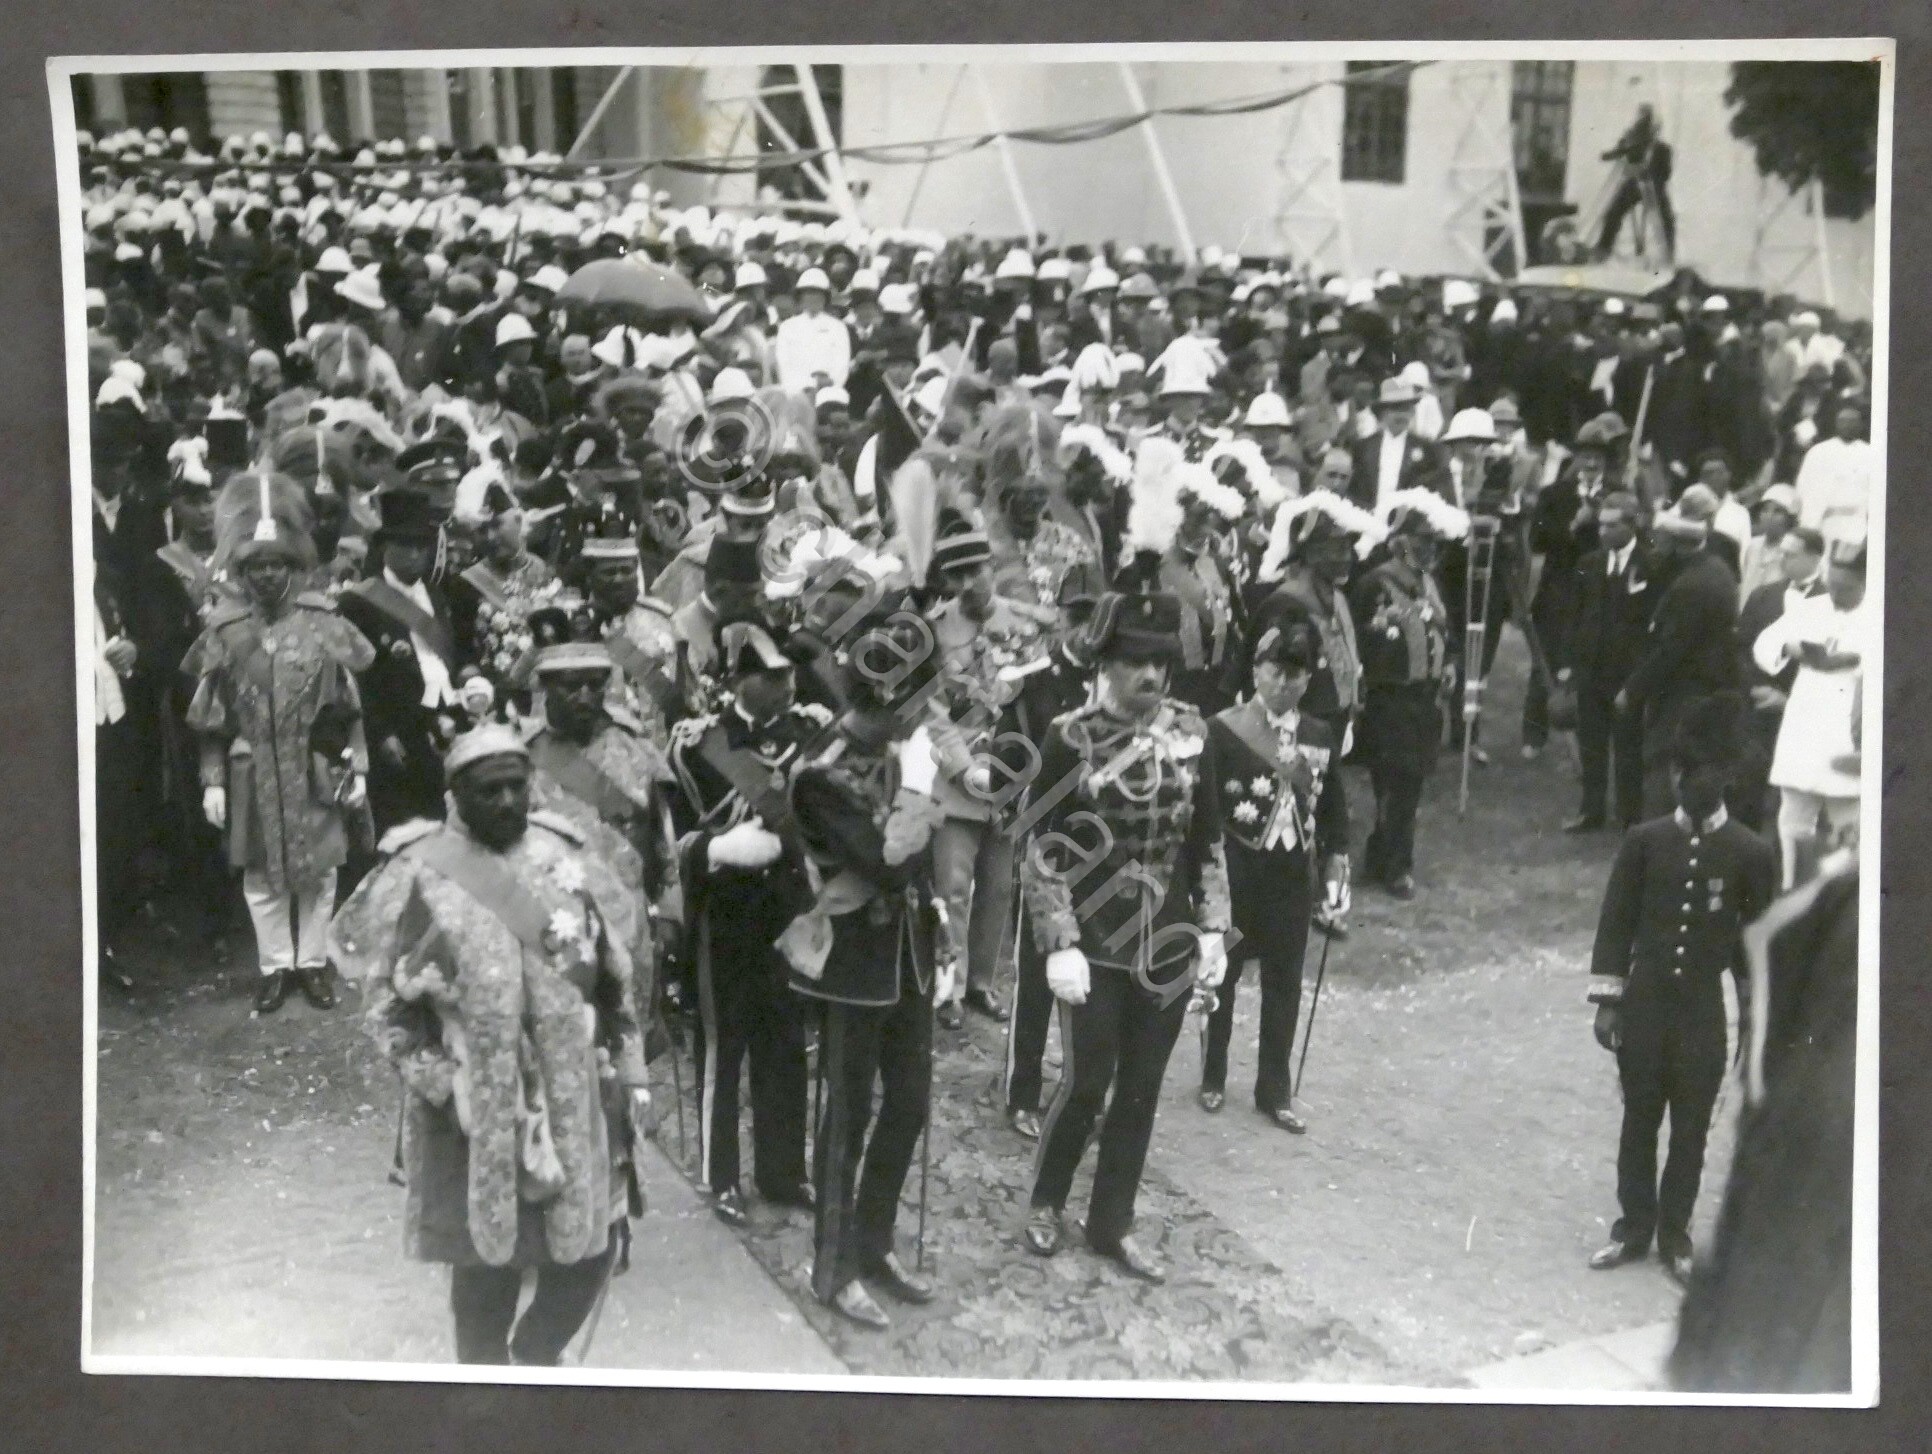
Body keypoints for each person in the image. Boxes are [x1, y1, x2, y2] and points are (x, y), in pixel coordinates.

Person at [330, 725, 651, 1366]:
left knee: (589, 1254)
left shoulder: (566, 856)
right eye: (488, 791)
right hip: (468, 1115)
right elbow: (386, 1006)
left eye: (516, 786)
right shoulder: (419, 871)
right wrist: (440, 1081)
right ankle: (486, 1390)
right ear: (455, 796)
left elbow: (616, 982)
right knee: (484, 1273)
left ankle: (533, 1358)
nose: (507, 802)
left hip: (573, 1096)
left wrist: (631, 1072)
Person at [1021, 590, 1231, 1283]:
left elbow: (1208, 838)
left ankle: (1112, 1221)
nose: (1151, 676)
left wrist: (1213, 927)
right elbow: (1043, 845)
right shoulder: (1068, 738)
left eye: (1161, 663)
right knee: (1086, 1082)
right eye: (1136, 662)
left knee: (1141, 1088)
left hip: (1165, 939)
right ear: (1104, 665)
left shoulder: (1193, 734)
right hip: (1093, 938)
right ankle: (1047, 1199)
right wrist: (1060, 939)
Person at [786, 608, 949, 1329]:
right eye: (919, 697)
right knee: (846, 1117)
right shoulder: (821, 773)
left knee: (909, 1102)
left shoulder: (896, 750)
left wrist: (940, 925)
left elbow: (918, 866)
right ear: (886, 696)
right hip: (853, 960)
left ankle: (873, 1242)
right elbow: (886, 863)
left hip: (908, 953)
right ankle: (832, 1268)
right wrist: (917, 790)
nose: (928, 712)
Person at [1586, 695, 1776, 1286]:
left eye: (1707, 774)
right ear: (1673, 775)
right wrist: (1609, 1002)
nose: (1693, 784)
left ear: (1726, 779)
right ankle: (1633, 1229)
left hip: (1704, 1013)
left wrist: (1756, 1014)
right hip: (1645, 1006)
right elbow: (1616, 924)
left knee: (1691, 1129)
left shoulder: (1750, 853)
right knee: (1639, 1119)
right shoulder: (1643, 842)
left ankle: (1675, 1237)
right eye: (1685, 772)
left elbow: (1756, 941)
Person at [184, 472, 375, 1013]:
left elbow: (349, 705)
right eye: (256, 565)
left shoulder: (324, 623)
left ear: (294, 567)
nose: (267, 574)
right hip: (252, 770)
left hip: (315, 766)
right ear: (241, 571)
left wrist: (356, 769)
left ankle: (311, 962)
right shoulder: (225, 632)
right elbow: (210, 719)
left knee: (321, 870)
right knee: (261, 874)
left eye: (277, 564)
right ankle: (274, 965)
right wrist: (213, 782)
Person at [667, 620, 824, 1226]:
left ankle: (783, 1171)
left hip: (787, 906)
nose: (787, 685)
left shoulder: (809, 734)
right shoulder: (695, 745)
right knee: (723, 1045)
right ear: (738, 678)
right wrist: (716, 848)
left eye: (789, 673)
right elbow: (670, 841)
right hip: (725, 911)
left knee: (784, 1041)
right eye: (772, 675)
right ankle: (722, 1175)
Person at [1199, 623, 1348, 1132]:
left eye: (1295, 674)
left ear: (1308, 679)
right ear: (1257, 671)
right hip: (1239, 870)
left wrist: (1336, 871)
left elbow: (1334, 812)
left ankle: (1274, 1090)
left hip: (1291, 875)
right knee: (1224, 974)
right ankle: (1213, 1074)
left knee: (1284, 982)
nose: (1284, 683)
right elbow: (1208, 810)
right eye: (1275, 671)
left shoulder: (1319, 735)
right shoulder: (1223, 729)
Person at [925, 514, 1051, 1029]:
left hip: (1010, 774)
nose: (969, 583)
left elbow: (1037, 704)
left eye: (977, 570)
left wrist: (1021, 773)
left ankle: (980, 982)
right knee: (952, 886)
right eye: (958, 575)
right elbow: (931, 712)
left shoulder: (1023, 625)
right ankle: (948, 988)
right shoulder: (935, 629)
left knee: (999, 887)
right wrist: (963, 768)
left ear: (992, 568)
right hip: (957, 778)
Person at [995, 579, 1100, 1140]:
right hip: (1043, 838)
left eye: (1093, 617)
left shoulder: (1109, 685)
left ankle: (1083, 1092)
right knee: (1036, 973)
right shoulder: (1032, 683)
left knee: (1093, 971)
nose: (1084, 629)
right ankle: (1022, 1093)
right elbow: (1007, 759)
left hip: (1097, 846)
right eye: (1075, 616)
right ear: (1058, 618)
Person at [1352, 489, 1466, 899]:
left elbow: (1445, 632)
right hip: (1390, 699)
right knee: (1396, 785)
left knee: (1408, 785)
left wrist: (1448, 663)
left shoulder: (1429, 582)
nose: (1430, 548)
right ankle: (1396, 866)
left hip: (1426, 699)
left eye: (1434, 541)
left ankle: (1380, 857)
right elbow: (1359, 641)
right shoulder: (1374, 584)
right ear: (1400, 540)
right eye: (1422, 540)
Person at [338, 483, 468, 834]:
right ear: (385, 547)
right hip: (400, 730)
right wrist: (381, 734)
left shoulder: (438, 594)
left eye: (421, 546)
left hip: (447, 720)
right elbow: (357, 680)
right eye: (405, 545)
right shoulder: (359, 602)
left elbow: (451, 656)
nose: (414, 555)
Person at [1752, 537, 1867, 889]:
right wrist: (1792, 648)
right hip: (1804, 728)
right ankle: (1792, 888)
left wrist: (1850, 661)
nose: (1836, 594)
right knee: (1793, 820)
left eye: (1845, 588)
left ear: (1864, 583)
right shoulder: (1812, 608)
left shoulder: (1880, 615)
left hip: (1846, 734)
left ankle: (1844, 897)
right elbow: (1764, 644)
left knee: (1847, 821)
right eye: (1833, 585)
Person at [1619, 505, 1741, 820]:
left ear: (1676, 542)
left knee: (1664, 762)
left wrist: (1633, 689)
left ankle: (1663, 833)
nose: (1653, 547)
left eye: (1659, 540)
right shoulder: (1715, 569)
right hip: (1711, 685)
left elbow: (1669, 650)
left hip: (1683, 690)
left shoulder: (1689, 587)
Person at [1563, 491, 1650, 833]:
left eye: (1611, 526)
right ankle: (1591, 810)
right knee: (1591, 743)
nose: (1602, 532)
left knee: (1628, 746)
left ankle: (1629, 815)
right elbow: (1574, 615)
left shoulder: (1649, 564)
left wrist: (1639, 677)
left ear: (1631, 525)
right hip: (1591, 670)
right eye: (1600, 525)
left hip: (1628, 673)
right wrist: (1569, 663)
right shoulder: (1589, 563)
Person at [1348, 376, 1447, 514]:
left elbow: (1431, 491)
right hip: (1367, 517)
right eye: (1395, 409)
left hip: (1408, 521)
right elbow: (1355, 489)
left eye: (1406, 409)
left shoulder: (1427, 449)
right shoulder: (1364, 447)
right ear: (1383, 412)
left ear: (1412, 412)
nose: (1401, 416)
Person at [1596, 103, 1675, 263]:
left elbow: (1665, 174)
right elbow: (1617, 152)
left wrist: (1650, 175)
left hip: (1653, 188)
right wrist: (1614, 153)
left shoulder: (1662, 150)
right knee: (1613, 212)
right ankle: (1603, 249)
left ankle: (1668, 253)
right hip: (1634, 186)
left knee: (1666, 219)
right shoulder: (1632, 142)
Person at [1792, 399, 1874, 542]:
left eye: (1852, 421)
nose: (1847, 425)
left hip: (1858, 523)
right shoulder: (1818, 452)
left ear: (1861, 425)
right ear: (1836, 423)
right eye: (1843, 421)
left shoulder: (1871, 453)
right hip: (1824, 521)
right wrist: (1810, 523)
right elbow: (1805, 488)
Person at [1737, 483, 1801, 602]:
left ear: (1790, 519)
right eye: (1765, 510)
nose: (1769, 516)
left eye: (1778, 512)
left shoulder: (1792, 554)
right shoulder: (1753, 546)